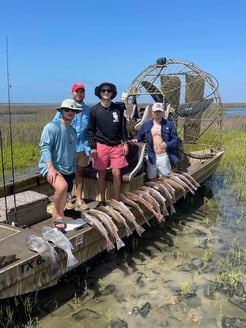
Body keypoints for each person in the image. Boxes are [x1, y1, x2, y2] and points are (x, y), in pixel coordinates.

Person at [39, 99, 82, 232]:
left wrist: (72, 169)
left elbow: (71, 151)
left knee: (65, 193)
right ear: (61, 111)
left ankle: (58, 212)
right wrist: (50, 168)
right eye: (67, 110)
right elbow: (44, 147)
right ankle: (57, 216)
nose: (70, 112)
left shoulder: (73, 131)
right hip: (51, 166)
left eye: (73, 110)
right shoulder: (51, 127)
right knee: (61, 187)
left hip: (68, 168)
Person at [87, 82, 129, 205]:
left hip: (116, 145)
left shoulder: (118, 109)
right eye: (103, 91)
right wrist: (92, 147)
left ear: (112, 93)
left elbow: (123, 128)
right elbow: (90, 130)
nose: (106, 93)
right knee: (101, 173)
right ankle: (102, 200)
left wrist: (125, 142)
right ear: (99, 93)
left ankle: (116, 199)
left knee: (116, 173)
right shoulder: (94, 110)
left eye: (108, 91)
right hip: (101, 145)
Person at [53, 83, 90, 211]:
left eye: (81, 92)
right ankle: (67, 199)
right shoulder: (66, 107)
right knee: (66, 173)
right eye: (76, 92)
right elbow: (55, 125)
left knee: (80, 173)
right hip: (67, 148)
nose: (79, 94)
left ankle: (79, 199)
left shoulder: (88, 110)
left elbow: (90, 129)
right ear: (72, 93)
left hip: (83, 147)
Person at [131, 102, 179, 180]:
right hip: (151, 156)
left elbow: (175, 139)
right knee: (152, 178)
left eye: (159, 111)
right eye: (156, 111)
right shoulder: (146, 125)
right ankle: (157, 191)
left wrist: (167, 144)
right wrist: (136, 139)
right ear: (152, 113)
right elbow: (140, 135)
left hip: (163, 155)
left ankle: (167, 191)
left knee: (166, 178)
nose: (157, 113)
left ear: (163, 113)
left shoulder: (169, 124)